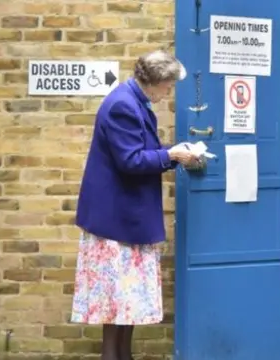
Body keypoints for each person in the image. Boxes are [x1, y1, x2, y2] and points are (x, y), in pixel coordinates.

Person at [70, 50, 198, 360]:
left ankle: (123, 356)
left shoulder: (132, 100)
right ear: (154, 82)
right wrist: (172, 155)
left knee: (126, 307)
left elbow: (141, 152)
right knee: (116, 307)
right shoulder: (122, 106)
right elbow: (130, 161)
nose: (169, 92)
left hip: (123, 220)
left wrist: (173, 152)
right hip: (116, 224)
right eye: (168, 86)